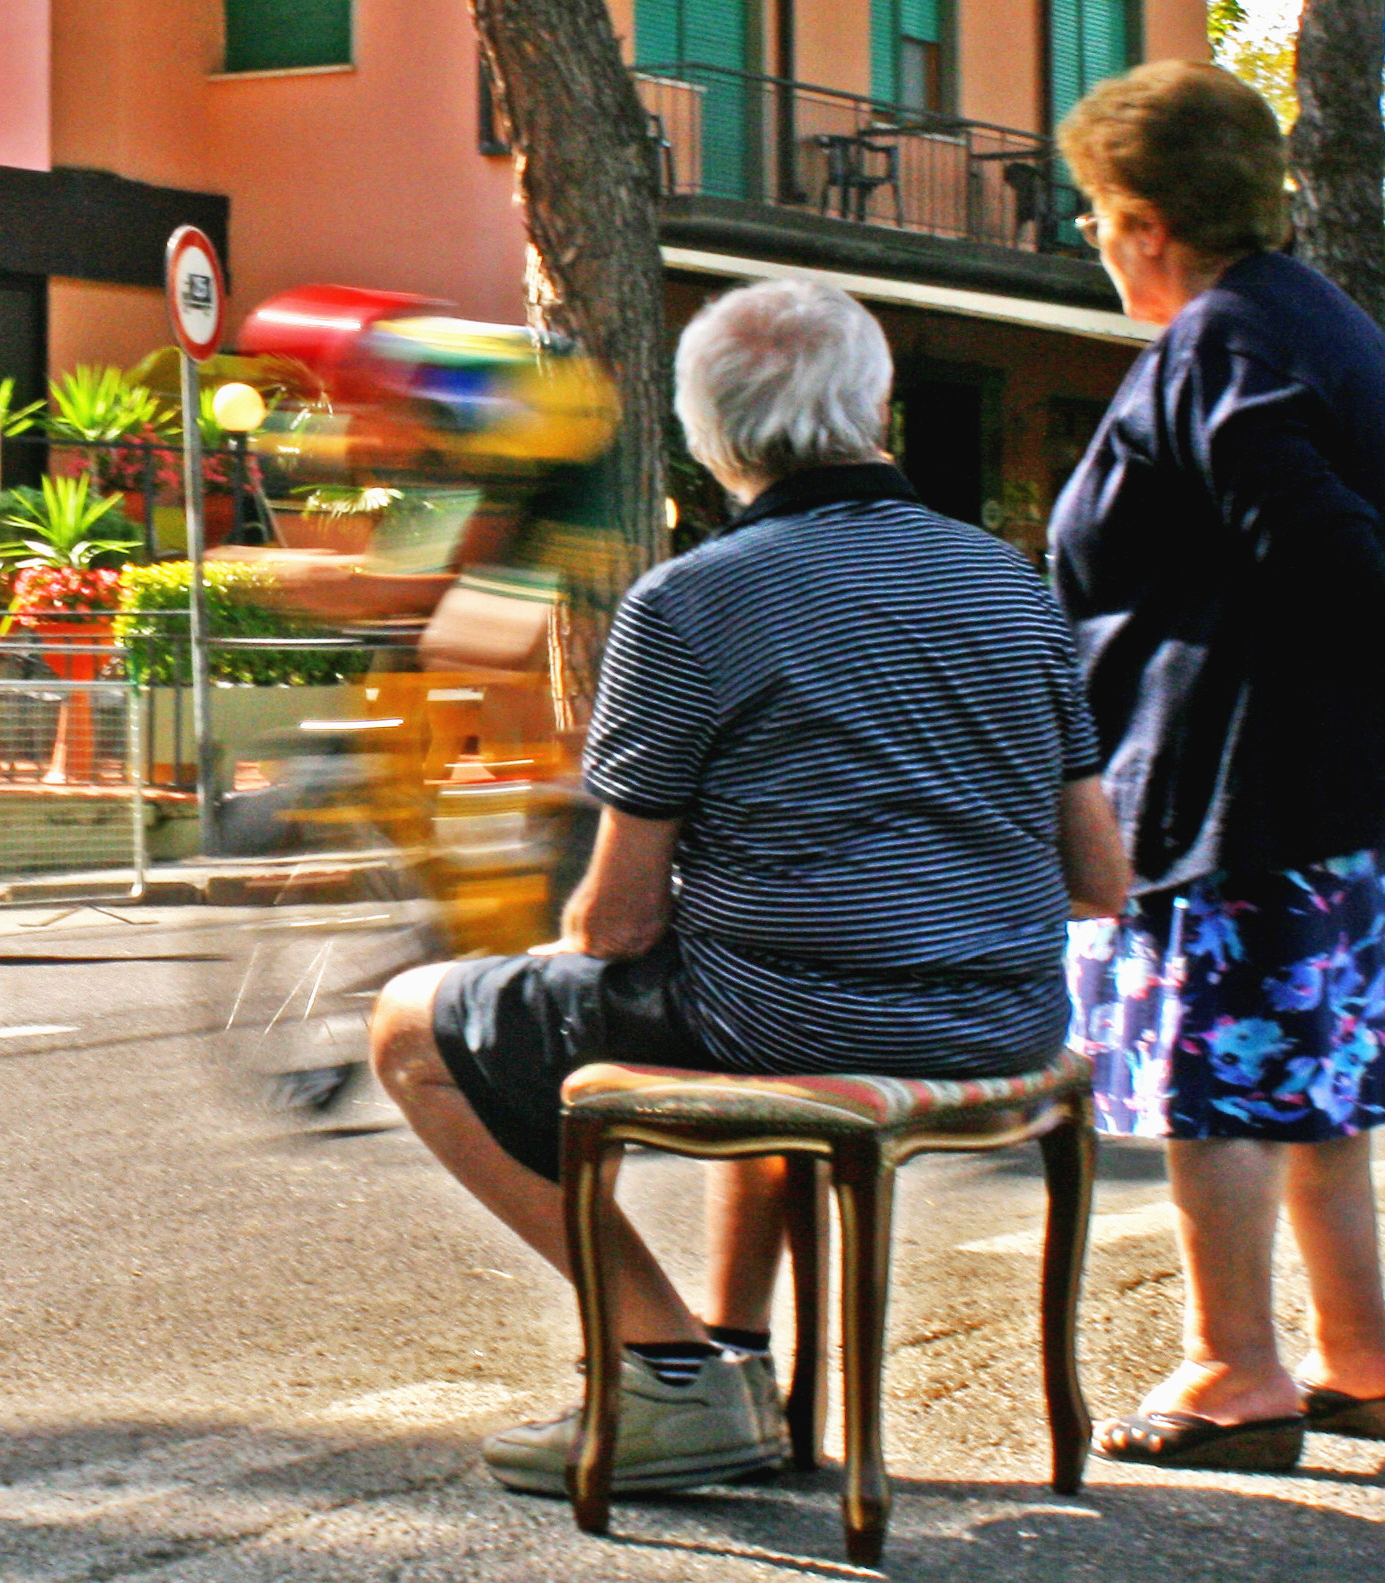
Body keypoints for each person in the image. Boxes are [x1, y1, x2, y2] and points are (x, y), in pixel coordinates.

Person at [369, 278, 1128, 1496]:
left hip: (794, 1017)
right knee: (747, 989)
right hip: (1010, 1020)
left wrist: (570, 926)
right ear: (874, 407)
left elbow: (619, 920)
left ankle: (665, 1369)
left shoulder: (691, 600)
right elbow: (1100, 877)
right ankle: (737, 1356)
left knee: (413, 1021)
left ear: (705, 435)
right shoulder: (1008, 584)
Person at [1049, 60, 1385, 1472]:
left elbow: (1302, 528)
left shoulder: (1217, 343)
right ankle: (1362, 1359)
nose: (1092, 240)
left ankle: (1232, 1367)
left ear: (1142, 217)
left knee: (1221, 1084)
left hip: (1236, 789)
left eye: (1092, 212)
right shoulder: (1328, 326)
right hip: (1348, 793)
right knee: (1319, 1089)